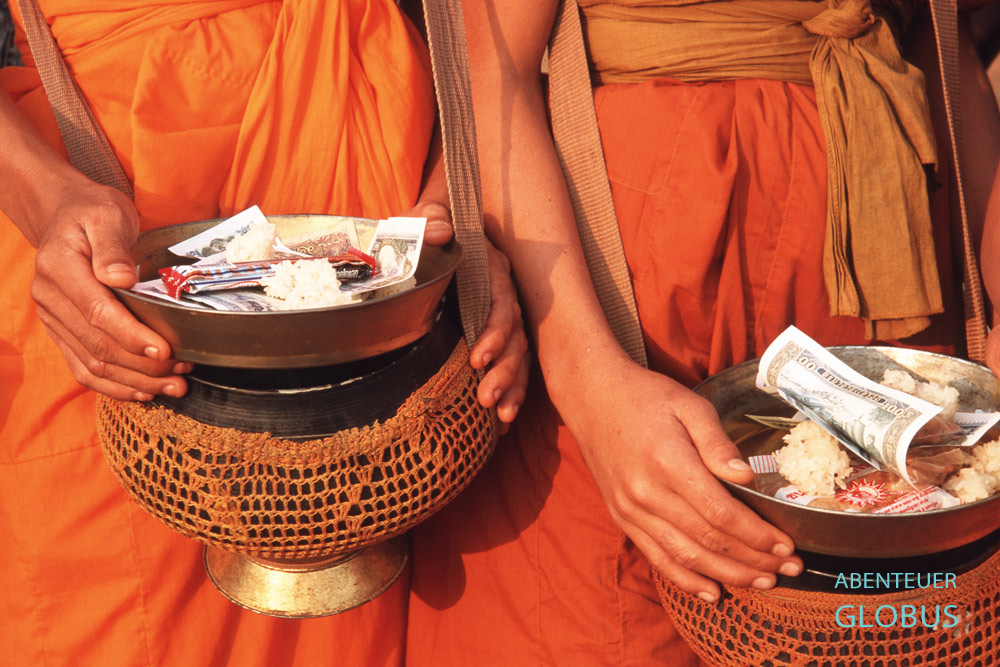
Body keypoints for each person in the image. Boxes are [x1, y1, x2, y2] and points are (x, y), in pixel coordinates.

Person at [407, 0, 1000, 664]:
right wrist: (589, 382)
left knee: (879, 628)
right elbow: (490, 68)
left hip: (890, 282)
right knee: (595, 627)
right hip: (604, 298)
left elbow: (946, 47)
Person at [0, 1, 527, 665]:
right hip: (89, 253)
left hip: (376, 212)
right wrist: (42, 198)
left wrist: (462, 210)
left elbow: (486, 33)